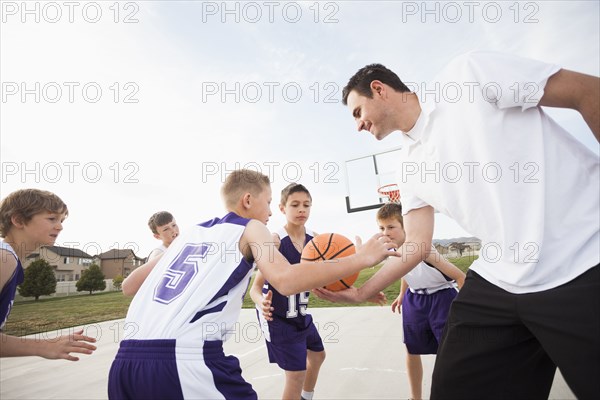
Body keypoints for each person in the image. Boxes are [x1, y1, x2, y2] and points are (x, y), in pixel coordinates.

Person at [315, 51, 599, 399]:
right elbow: (417, 245)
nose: (357, 124)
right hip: (502, 277)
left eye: (358, 111)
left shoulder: (466, 77)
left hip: (585, 255)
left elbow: (586, 92)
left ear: (379, 89)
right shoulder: (407, 167)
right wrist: (360, 291)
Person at [107, 169, 398, 400]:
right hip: (184, 360)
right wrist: (361, 260)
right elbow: (285, 281)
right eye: (269, 202)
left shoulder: (189, 233)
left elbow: (130, 286)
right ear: (248, 201)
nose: (271, 212)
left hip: (125, 363)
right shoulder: (253, 228)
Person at [377, 203, 465, 400]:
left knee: (449, 351)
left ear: (405, 227)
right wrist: (402, 294)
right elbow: (405, 271)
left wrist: (467, 306)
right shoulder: (394, 250)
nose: (386, 232)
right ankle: (415, 397)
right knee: (411, 349)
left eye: (391, 227)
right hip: (415, 299)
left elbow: (460, 276)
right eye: (381, 228)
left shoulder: (423, 249)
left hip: (441, 297)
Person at [0, 189, 97, 360]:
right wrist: (44, 346)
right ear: (18, 220)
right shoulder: (4, 259)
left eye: (61, 220)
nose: (60, 226)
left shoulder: (11, 260)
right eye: (51, 219)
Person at [250, 183, 324, 400]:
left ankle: (305, 398)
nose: (302, 209)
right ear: (282, 208)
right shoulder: (275, 241)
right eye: (295, 205)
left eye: (306, 205)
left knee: (318, 356)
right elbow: (255, 288)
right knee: (296, 374)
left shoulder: (317, 240)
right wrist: (261, 302)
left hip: (299, 314)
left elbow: (327, 275)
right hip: (277, 317)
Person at [121, 211, 180, 295]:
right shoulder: (158, 253)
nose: (173, 230)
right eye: (166, 229)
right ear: (157, 236)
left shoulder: (182, 245)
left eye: (174, 225)